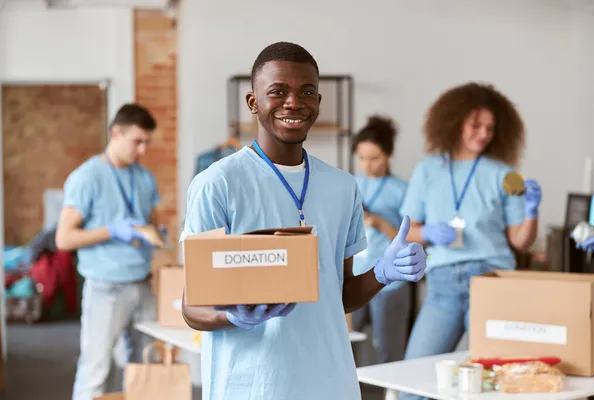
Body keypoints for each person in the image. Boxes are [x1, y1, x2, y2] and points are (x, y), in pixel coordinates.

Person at [180, 41, 427, 400]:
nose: (294, 102)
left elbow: (336, 295)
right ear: (253, 103)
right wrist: (234, 318)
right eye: (277, 92)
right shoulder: (217, 184)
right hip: (251, 387)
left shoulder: (343, 186)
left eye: (306, 91)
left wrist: (382, 273)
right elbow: (192, 306)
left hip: (332, 384)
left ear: (318, 102)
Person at [399, 82, 542, 399]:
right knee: (412, 382)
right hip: (442, 286)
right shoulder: (428, 169)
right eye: (476, 125)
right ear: (454, 121)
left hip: (492, 281)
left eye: (490, 128)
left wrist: (532, 212)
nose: (484, 134)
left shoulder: (503, 173)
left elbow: (521, 241)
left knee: (495, 381)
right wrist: (428, 233)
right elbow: (407, 231)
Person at [55, 103, 161, 400]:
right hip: (105, 290)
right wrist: (112, 230)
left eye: (147, 143)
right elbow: (64, 238)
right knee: (96, 371)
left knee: (146, 370)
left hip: (143, 285)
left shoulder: (144, 177)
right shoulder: (87, 177)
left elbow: (153, 221)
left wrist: (155, 234)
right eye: (137, 141)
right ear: (116, 133)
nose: (142, 150)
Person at [351, 115, 412, 364]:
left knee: (390, 350)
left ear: (388, 155)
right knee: (344, 346)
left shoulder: (402, 190)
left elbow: (410, 241)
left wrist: (379, 222)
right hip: (354, 277)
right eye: (362, 158)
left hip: (391, 282)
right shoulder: (352, 184)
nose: (367, 165)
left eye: (374, 158)